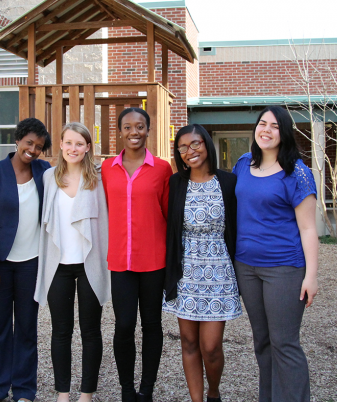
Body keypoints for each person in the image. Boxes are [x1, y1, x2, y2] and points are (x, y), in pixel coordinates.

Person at [232, 105, 319, 402]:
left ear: (285, 133)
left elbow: (308, 229)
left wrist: (311, 276)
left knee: (284, 343)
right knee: (263, 342)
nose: (266, 130)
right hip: (246, 267)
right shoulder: (243, 164)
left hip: (284, 268)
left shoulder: (298, 173)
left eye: (274, 126)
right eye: (262, 124)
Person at [163, 124, 242, 402]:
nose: (189, 152)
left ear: (207, 144)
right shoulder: (176, 183)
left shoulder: (228, 182)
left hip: (218, 269)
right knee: (188, 341)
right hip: (186, 271)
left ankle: (214, 392)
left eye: (195, 144)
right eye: (182, 147)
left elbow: (238, 226)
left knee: (211, 346)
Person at [34, 122, 111, 402]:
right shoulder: (49, 177)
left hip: (90, 265)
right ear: (61, 145)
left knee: (91, 331)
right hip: (58, 267)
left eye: (80, 144)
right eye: (68, 143)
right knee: (61, 331)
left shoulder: (99, 178)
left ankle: (87, 393)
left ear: (88, 147)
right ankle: (63, 393)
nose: (73, 148)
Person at [101, 107, 173, 402]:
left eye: (140, 126)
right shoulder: (107, 168)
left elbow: (169, 214)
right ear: (119, 132)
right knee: (124, 324)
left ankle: (146, 389)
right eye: (128, 127)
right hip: (121, 261)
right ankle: (127, 389)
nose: (134, 132)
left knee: (152, 325)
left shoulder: (162, 168)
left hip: (154, 259)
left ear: (148, 130)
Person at [0, 117, 52, 402]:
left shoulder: (44, 171)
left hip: (32, 263)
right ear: (18, 140)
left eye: (39, 146)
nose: (32, 150)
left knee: (26, 328)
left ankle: (24, 390)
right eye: (29, 143)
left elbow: (70, 175)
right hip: (1, 264)